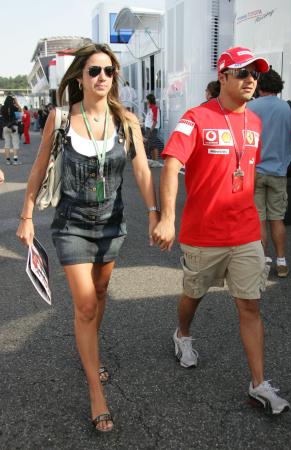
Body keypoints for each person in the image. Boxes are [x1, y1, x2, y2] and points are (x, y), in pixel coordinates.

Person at [16, 43, 159, 432]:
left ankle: (90, 356)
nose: (101, 77)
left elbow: (144, 172)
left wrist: (155, 213)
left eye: (109, 71)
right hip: (72, 225)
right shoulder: (61, 117)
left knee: (98, 297)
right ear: (79, 77)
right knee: (84, 306)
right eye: (94, 70)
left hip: (112, 225)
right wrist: (27, 215)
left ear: (115, 77)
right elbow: (39, 167)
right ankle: (96, 390)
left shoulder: (126, 120)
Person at [153, 46, 291, 415]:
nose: (250, 80)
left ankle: (258, 383)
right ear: (224, 76)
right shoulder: (196, 117)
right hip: (203, 233)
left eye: (255, 74)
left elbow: (243, 173)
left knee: (250, 305)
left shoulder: (256, 123)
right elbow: (170, 164)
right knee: (192, 294)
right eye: (242, 72)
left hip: (245, 232)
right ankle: (182, 334)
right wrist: (167, 217)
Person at [247, 69, 291, 277]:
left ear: (260, 86)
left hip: (255, 171)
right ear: (279, 86)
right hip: (278, 171)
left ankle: (263, 260)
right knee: (277, 219)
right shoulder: (288, 108)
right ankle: (282, 261)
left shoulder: (249, 107)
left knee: (259, 219)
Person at [2, 95, 22, 165]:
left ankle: (8, 160)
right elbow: (20, 110)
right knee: (15, 143)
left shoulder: (2, 108)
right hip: (13, 127)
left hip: (5, 127)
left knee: (7, 144)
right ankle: (15, 160)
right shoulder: (14, 107)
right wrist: (16, 103)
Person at [145, 93, 163, 167]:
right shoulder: (151, 108)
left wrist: (151, 130)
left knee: (153, 145)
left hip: (152, 129)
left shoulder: (154, 108)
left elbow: (155, 121)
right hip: (150, 128)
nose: (146, 101)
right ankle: (153, 161)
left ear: (149, 100)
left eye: (147, 99)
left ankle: (155, 161)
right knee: (151, 145)